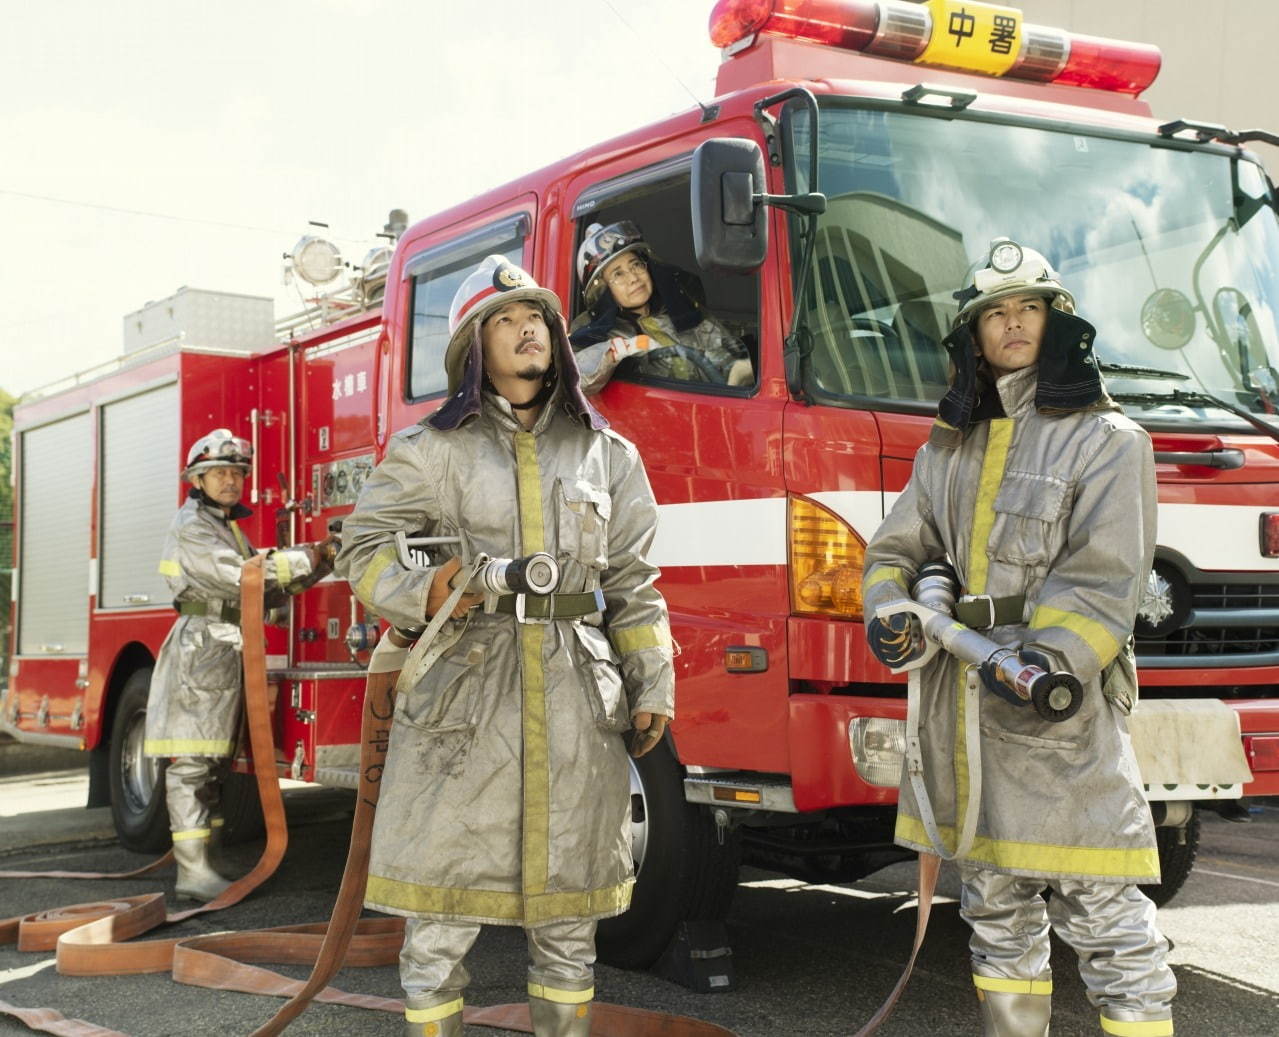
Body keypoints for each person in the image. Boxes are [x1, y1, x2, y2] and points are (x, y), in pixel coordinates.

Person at [335, 255, 674, 1037]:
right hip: (464, 696)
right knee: (439, 915)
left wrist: (652, 681)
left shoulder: (607, 455)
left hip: (575, 704)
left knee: (570, 919)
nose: (527, 330)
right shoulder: (429, 449)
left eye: (537, 319)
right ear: (472, 348)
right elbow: (364, 551)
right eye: (505, 320)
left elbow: (633, 580)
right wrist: (442, 584)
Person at [861, 239, 1176, 1037]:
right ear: (972, 334)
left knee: (1106, 910)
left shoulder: (1109, 440)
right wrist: (888, 612)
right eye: (993, 313)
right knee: (994, 907)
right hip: (962, 715)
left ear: (1054, 320)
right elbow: (896, 547)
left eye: (1025, 308)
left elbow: (1104, 578)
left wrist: (1045, 659)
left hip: (1053, 715)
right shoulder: (950, 444)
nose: (1009, 324)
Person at [144, 428, 335, 900]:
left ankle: (205, 861)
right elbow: (241, 578)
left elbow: (265, 590)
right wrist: (307, 554)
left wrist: (323, 561)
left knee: (214, 764)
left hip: (223, 646)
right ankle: (192, 872)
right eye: (220, 473)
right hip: (202, 647)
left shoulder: (225, 524)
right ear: (197, 479)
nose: (231, 481)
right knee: (192, 763)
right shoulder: (193, 526)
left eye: (237, 473)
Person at [569, 220, 752, 393]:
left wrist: (739, 369)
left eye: (636, 265)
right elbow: (575, 378)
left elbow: (726, 355)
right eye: (618, 274)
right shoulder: (596, 336)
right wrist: (617, 351)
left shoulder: (682, 314)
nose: (633, 278)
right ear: (604, 291)